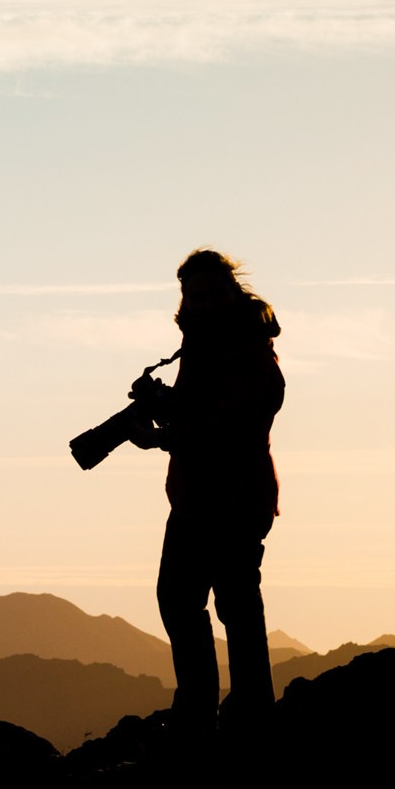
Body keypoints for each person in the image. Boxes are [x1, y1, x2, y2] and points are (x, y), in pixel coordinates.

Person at [141, 249, 284, 733]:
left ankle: (240, 712)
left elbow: (226, 429)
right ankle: (213, 711)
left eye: (206, 293)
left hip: (235, 501)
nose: (197, 303)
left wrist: (164, 434)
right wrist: (163, 403)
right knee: (189, 601)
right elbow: (198, 413)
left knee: (232, 604)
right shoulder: (206, 347)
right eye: (190, 294)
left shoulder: (247, 354)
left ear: (229, 293)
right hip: (196, 500)